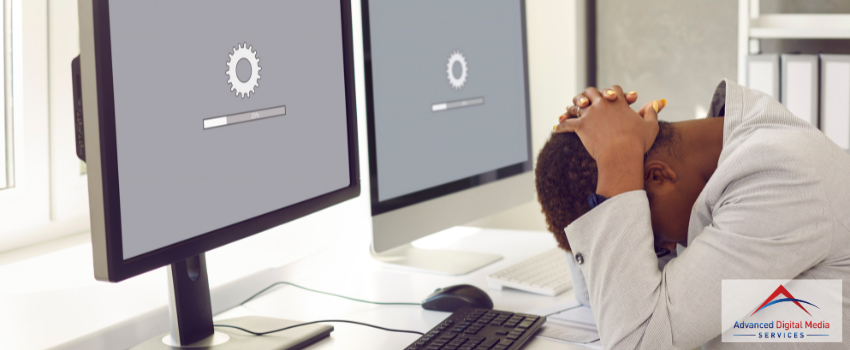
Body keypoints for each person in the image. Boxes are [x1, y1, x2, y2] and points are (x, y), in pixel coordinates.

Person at [534, 79, 850, 349]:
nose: (666, 252)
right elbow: (594, 293)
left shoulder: (778, 176)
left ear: (657, 176)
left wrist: (619, 151)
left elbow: (637, 340)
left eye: (654, 242)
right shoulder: (724, 153)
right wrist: (602, 135)